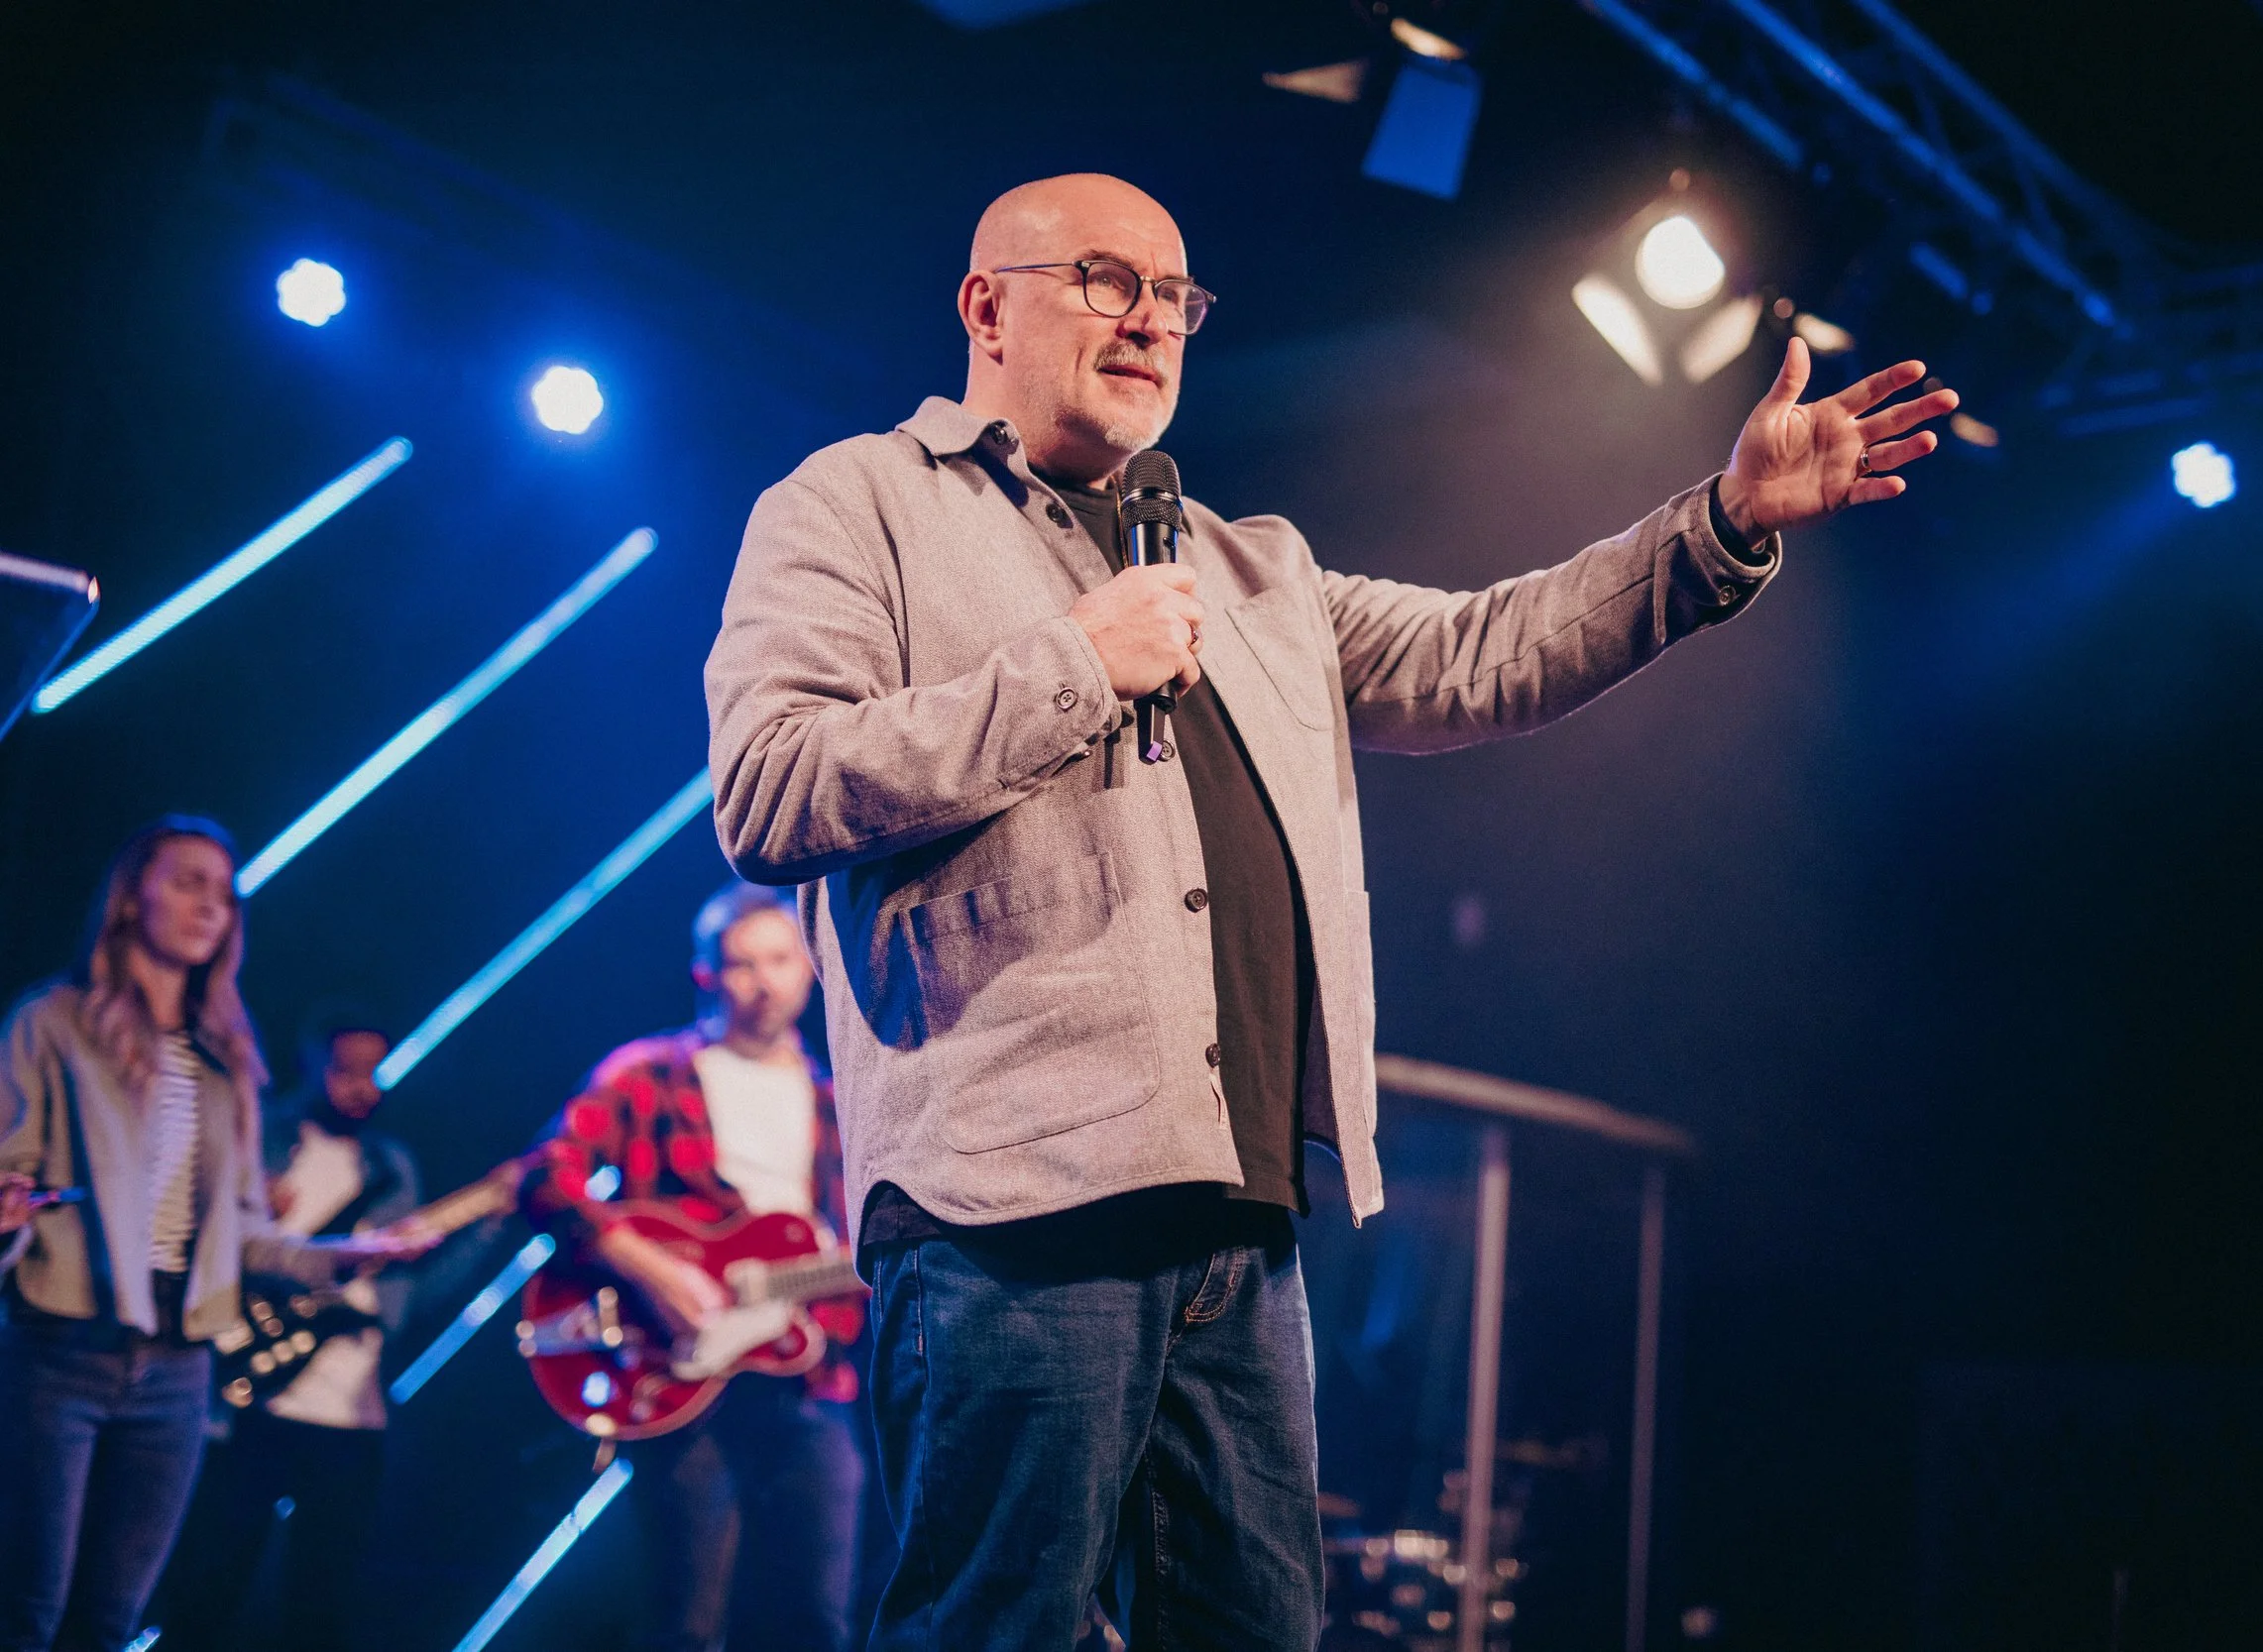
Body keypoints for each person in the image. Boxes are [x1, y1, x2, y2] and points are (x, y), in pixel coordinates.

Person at [702, 173, 1959, 1649]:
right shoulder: (859, 503)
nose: (1152, 319)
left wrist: (1725, 521)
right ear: (988, 305)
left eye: (1178, 296)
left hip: (1241, 1221)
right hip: (1009, 1214)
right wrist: (1072, 666)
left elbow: (1488, 651)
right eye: (1109, 278)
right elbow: (771, 788)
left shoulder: (1250, 568)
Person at [0, 818, 433, 1652]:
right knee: (27, 1613)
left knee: (111, 1619)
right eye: (188, 881)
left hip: (177, 1366)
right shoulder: (49, 1024)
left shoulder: (226, 1056)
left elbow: (239, 1231)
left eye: (225, 894)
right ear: (133, 897)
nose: (211, 905)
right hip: (61, 1350)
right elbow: (11, 1177)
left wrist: (348, 1256)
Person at [521, 882, 867, 1652]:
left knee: (818, 1619)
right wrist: (647, 1266)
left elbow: (868, 1243)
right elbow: (543, 1174)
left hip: (812, 1374)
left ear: (808, 968)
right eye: (741, 964)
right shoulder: (650, 1075)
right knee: (685, 1622)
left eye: (779, 959)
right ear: (706, 974)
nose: (763, 980)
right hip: (680, 1376)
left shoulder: (841, 1096)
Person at [156, 1010, 431, 1652]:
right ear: (309, 1064)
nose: (362, 1086)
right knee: (207, 1587)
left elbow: (401, 1299)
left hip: (350, 1413)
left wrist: (491, 1224)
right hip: (248, 1397)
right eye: (345, 1069)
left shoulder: (394, 1168)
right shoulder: (259, 1142)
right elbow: (210, 1249)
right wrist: (248, 1210)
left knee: (322, 1603)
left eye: (374, 1072)